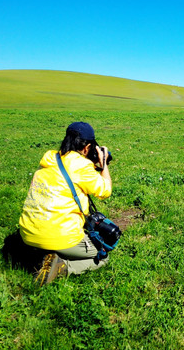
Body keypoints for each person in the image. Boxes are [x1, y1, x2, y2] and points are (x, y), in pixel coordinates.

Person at [18, 122, 112, 286]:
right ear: (87, 147)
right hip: (59, 235)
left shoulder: (50, 159)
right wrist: (103, 165)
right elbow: (105, 190)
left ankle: (45, 255)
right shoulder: (81, 166)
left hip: (27, 234)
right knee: (103, 255)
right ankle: (63, 267)